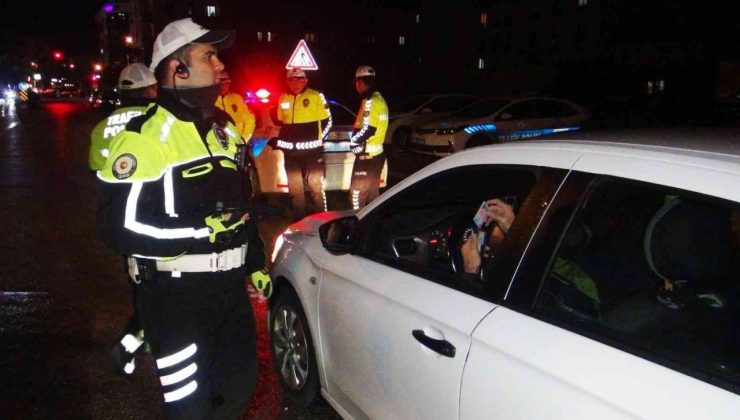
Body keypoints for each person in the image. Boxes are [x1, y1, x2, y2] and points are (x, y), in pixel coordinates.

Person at [96, 18, 272, 418]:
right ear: (178, 69)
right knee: (190, 408)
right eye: (209, 56)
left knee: (237, 393)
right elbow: (118, 226)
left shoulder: (224, 132)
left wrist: (256, 262)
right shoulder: (143, 139)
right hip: (176, 298)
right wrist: (197, 232)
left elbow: (240, 210)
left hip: (229, 292)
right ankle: (138, 334)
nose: (221, 65)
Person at [90, 63, 158, 377]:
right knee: (162, 288)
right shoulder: (157, 121)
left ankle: (143, 333)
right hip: (154, 216)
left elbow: (98, 172)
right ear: (150, 91)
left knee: (140, 281)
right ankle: (135, 340)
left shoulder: (102, 127)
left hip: (119, 220)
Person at [273, 68, 332, 220]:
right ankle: (300, 221)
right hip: (290, 153)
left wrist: (319, 139)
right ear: (287, 81)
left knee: (316, 185)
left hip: (312, 151)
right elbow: (281, 122)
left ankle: (322, 218)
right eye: (292, 79)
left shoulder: (316, 96)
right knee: (295, 189)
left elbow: (328, 121)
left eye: (300, 79)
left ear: (306, 80)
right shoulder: (282, 98)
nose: (296, 82)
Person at [89, 63, 158, 171]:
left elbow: (96, 167)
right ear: (150, 91)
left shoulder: (101, 128)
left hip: (114, 186)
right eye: (155, 88)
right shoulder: (160, 120)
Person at [349, 65, 388, 210]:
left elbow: (368, 129)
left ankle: (356, 226)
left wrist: (353, 142)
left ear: (359, 83)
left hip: (367, 157)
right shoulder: (380, 100)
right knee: (373, 196)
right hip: (376, 156)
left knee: (356, 195)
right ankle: (372, 227)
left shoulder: (370, 102)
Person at [215, 70, 255, 142]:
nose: (223, 86)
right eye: (220, 84)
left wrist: (243, 139)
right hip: (218, 144)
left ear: (229, 83)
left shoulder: (237, 99)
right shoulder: (211, 100)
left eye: (226, 83)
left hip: (237, 144)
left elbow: (250, 120)